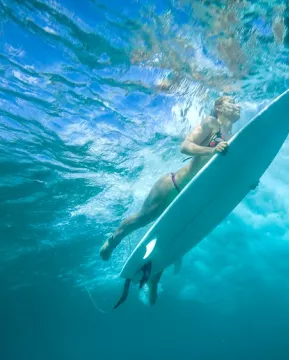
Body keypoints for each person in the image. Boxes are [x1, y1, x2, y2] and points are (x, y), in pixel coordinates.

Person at [99, 95, 241, 305]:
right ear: (218, 107)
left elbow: (226, 171)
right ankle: (113, 240)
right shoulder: (211, 123)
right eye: (232, 101)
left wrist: (246, 181)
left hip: (191, 197)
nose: (238, 105)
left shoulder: (235, 136)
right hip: (173, 185)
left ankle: (153, 281)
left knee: (168, 237)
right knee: (143, 218)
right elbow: (186, 146)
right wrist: (213, 149)